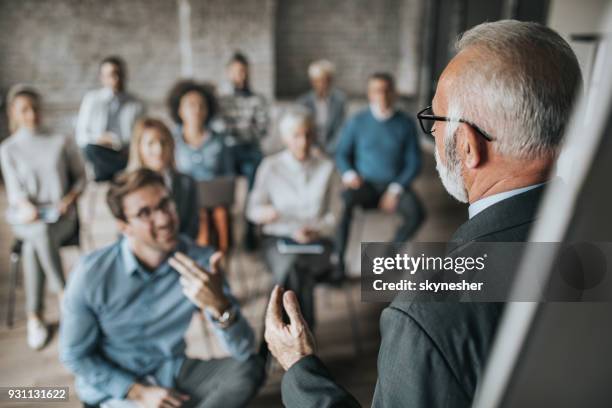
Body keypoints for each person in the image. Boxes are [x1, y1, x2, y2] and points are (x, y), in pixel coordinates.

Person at [263, 20, 583, 407]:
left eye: (435, 119)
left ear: (468, 146)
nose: (431, 132)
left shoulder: (427, 310)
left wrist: (299, 368)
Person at [59, 169, 264, 408]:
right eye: (145, 213)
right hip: (116, 389)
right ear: (124, 226)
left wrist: (220, 306)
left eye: (166, 204)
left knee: (250, 368)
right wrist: (139, 392)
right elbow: (75, 356)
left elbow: (244, 349)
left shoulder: (201, 262)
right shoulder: (91, 274)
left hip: (172, 370)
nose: (164, 219)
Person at [1, 85, 86, 350]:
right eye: (24, 109)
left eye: (35, 107)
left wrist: (68, 200)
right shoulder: (8, 149)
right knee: (36, 231)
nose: (32, 114)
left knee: (33, 245)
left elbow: (81, 179)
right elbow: (15, 193)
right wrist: (27, 208)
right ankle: (65, 295)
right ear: (14, 113)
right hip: (25, 218)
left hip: (61, 217)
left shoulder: (60, 141)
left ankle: (34, 316)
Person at [247, 107, 341, 327]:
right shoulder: (270, 167)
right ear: (285, 138)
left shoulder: (327, 168)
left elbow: (335, 217)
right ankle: (304, 338)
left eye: (308, 134)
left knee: (292, 269)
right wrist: (265, 213)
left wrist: (316, 231)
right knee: (295, 268)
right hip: (279, 240)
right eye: (296, 135)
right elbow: (252, 210)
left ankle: (272, 339)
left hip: (317, 242)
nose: (303, 141)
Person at [335, 72, 425, 277]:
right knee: (343, 202)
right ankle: (337, 261)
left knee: (418, 213)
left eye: (387, 90)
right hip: (365, 185)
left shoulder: (405, 124)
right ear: (369, 94)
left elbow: (414, 162)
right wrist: (349, 174)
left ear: (394, 93)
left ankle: (389, 255)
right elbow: (341, 153)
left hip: (396, 186)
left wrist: (395, 190)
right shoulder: (357, 122)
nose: (382, 95)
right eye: (377, 90)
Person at [167, 80, 235, 252]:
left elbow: (228, 174)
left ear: (208, 110)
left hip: (213, 199)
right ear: (180, 110)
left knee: (220, 214)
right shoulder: (171, 140)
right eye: (190, 105)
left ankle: (222, 257)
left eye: (201, 105)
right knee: (202, 217)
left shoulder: (220, 141)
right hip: (183, 197)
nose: (196, 110)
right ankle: (201, 254)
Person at [218, 51, 270, 250]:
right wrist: (244, 128)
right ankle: (227, 230)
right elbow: (220, 128)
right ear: (229, 73)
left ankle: (250, 230)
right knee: (225, 180)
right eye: (236, 71)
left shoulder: (258, 99)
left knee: (254, 184)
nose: (240, 75)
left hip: (250, 149)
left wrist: (237, 130)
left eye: (243, 71)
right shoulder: (222, 100)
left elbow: (262, 129)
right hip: (229, 149)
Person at [127, 117, 199, 240]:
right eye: (151, 143)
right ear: (139, 147)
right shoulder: (127, 186)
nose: (159, 150)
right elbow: (126, 232)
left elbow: (192, 229)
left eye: (163, 142)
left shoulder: (187, 182)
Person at [76, 56, 145, 181]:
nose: (115, 79)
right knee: (90, 149)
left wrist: (120, 143)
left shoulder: (136, 103)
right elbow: (81, 136)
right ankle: (118, 175)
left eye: (118, 74)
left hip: (125, 151)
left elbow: (140, 134)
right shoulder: (92, 100)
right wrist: (99, 138)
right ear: (101, 78)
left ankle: (108, 176)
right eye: (110, 75)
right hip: (100, 150)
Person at [297, 59, 347, 155]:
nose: (322, 84)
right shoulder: (303, 102)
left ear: (331, 80)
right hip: (309, 148)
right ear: (312, 82)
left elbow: (340, 128)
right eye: (318, 81)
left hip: (332, 150)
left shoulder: (339, 100)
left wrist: (328, 150)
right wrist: (313, 148)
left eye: (326, 80)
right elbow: (302, 129)